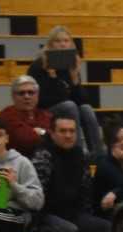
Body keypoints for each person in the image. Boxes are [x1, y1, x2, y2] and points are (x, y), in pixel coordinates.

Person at [32, 115, 110, 232]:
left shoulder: (80, 154)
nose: (68, 135)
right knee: (70, 230)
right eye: (63, 131)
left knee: (104, 227)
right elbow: (37, 195)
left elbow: (86, 189)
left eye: (72, 131)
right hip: (48, 214)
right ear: (52, 133)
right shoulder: (43, 155)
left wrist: (88, 214)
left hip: (75, 214)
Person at [28, 26, 103, 158]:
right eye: (57, 41)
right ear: (50, 45)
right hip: (45, 110)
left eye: (66, 41)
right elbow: (43, 100)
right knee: (69, 106)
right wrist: (52, 76)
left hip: (67, 107)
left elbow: (82, 100)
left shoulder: (69, 65)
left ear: (71, 44)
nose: (62, 44)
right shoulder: (38, 66)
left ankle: (98, 154)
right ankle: (77, 152)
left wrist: (74, 77)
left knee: (86, 109)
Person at [0, 75, 52, 157]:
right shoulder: (7, 115)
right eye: (21, 93)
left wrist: (38, 132)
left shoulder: (45, 114)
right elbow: (24, 140)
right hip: (16, 161)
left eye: (31, 92)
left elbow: (54, 137)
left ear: (37, 95)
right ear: (13, 96)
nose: (27, 96)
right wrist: (42, 133)